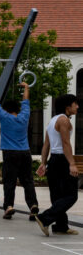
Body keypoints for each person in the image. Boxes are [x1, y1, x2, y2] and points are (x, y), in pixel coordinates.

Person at [0, 81, 39, 220]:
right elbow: (26, 101)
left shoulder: (4, 117)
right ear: (17, 108)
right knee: (28, 181)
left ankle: (9, 206)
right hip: (25, 152)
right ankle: (33, 205)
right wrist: (26, 87)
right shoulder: (24, 116)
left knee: (9, 181)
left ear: (6, 109)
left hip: (10, 153)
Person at [35, 94, 81, 236]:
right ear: (68, 106)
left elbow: (46, 144)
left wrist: (44, 163)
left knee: (57, 195)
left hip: (54, 160)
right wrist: (72, 164)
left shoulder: (52, 121)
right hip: (62, 160)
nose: (77, 106)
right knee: (71, 195)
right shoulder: (63, 120)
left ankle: (61, 226)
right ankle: (44, 218)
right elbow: (66, 143)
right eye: (75, 104)